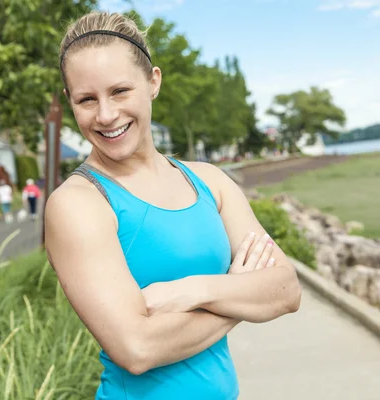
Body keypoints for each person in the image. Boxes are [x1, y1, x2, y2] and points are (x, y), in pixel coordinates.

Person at [44, 11, 301, 400]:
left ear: (152, 82)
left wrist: (193, 290)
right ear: (70, 102)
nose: (106, 114)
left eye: (119, 91)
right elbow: (137, 349)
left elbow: (285, 289)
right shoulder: (78, 204)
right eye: (86, 99)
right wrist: (240, 293)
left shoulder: (210, 181)